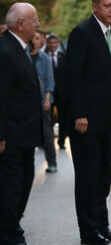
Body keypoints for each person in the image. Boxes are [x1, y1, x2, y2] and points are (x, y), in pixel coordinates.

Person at [66, 0, 111, 245]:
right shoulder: (82, 33)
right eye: (107, 5)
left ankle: (103, 225)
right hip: (86, 120)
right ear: (95, 7)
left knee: (103, 174)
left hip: (106, 118)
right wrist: (80, 113)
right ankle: (89, 231)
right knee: (88, 176)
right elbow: (74, 78)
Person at [0, 3, 43, 245]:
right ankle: (11, 237)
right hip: (12, 135)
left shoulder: (20, 47)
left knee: (22, 183)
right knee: (11, 186)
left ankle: (10, 231)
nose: (37, 24)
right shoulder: (5, 51)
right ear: (20, 24)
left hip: (24, 133)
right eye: (33, 20)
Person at [30, 30, 57, 173]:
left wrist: (47, 99)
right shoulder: (24, 56)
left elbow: (49, 81)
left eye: (37, 38)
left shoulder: (44, 58)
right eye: (33, 38)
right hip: (27, 103)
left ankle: (52, 162)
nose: (35, 41)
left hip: (42, 101)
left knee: (47, 134)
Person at [46, 34, 67, 149]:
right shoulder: (43, 57)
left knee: (63, 117)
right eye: (50, 43)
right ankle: (48, 141)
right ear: (47, 44)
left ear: (57, 44)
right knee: (48, 118)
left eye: (54, 43)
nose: (52, 45)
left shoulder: (64, 57)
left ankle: (62, 140)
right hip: (48, 94)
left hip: (62, 94)